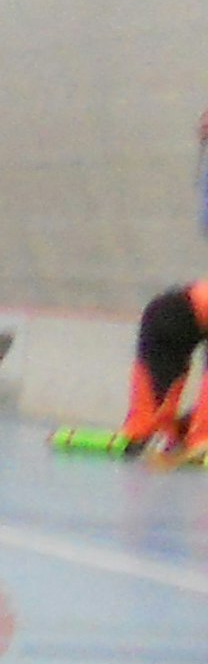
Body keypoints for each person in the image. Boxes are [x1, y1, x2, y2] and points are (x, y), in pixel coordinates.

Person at [110, 101, 208, 458]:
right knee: (165, 327)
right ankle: (180, 431)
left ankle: (169, 429)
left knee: (165, 326)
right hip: (177, 315)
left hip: (177, 313)